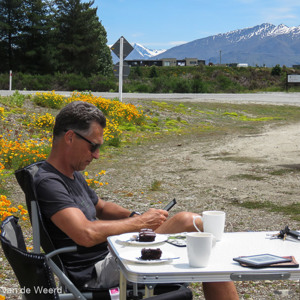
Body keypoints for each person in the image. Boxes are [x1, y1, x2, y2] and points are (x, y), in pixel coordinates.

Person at [34, 101, 239, 300]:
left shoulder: (70, 173)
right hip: (96, 273)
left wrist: (133, 216)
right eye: (93, 146)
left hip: (111, 253)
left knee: (193, 229)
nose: (96, 155)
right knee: (192, 228)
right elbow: (85, 234)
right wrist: (140, 224)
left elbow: (101, 207)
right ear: (70, 137)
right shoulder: (49, 183)